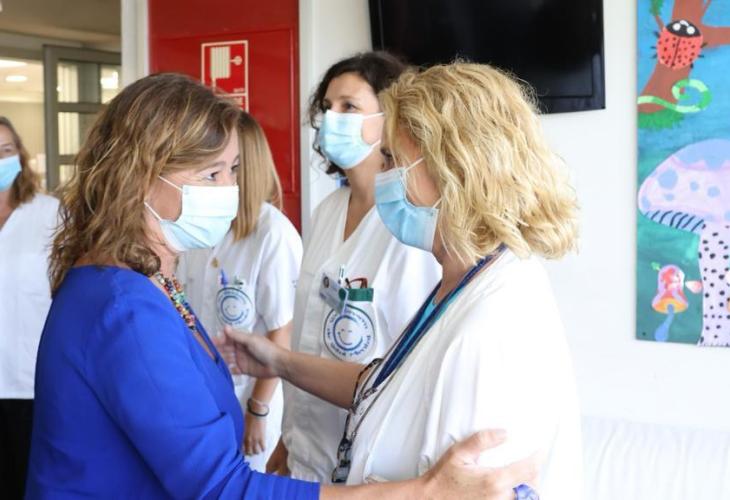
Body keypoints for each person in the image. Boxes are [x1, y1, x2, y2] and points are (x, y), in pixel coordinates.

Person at [26, 72, 538, 499]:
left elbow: (394, 383)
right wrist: (424, 493)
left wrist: (278, 364)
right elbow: (222, 488)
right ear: (139, 177)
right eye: (211, 175)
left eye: (233, 170)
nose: (230, 190)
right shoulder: (124, 307)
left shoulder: (145, 280)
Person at [225, 62, 583, 499]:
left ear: (453, 169)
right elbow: (384, 386)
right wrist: (278, 362)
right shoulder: (464, 282)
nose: (382, 175)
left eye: (392, 159)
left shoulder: (489, 327)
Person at [268, 51, 442, 483]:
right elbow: (308, 333)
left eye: (349, 107)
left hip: (372, 465)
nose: (333, 119)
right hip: (306, 451)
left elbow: (415, 359)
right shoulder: (328, 210)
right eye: (328, 108)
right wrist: (289, 438)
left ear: (391, 115)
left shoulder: (410, 221)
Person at [177, 112, 302, 472]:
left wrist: (257, 410)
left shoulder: (272, 234)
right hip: (203, 397)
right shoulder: (203, 227)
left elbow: (282, 332)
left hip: (253, 399)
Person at [0, 116, 58, 500]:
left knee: (27, 484)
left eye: (6, 150)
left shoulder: (50, 213)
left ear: (20, 154)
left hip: (29, 383)